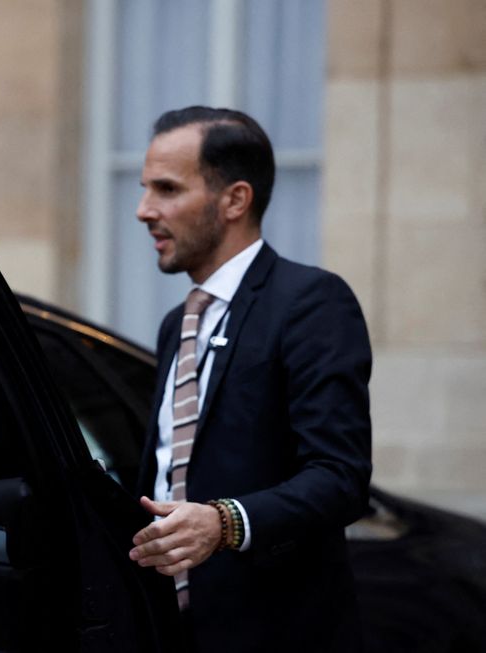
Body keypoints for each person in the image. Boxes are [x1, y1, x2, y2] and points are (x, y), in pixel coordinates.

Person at [127, 106, 372, 652]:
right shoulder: (177, 324)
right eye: (146, 189)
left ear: (235, 200)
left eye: (167, 189)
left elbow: (340, 477)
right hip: (168, 629)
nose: (144, 210)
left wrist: (224, 523)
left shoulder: (310, 302)